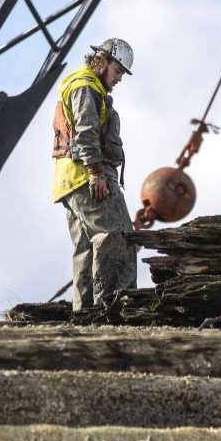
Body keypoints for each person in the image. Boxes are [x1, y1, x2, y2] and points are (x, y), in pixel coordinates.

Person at [52, 37, 138, 311]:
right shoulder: (86, 87)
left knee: (86, 248)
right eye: (118, 71)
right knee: (118, 235)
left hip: (69, 182)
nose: (120, 79)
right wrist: (95, 173)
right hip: (87, 177)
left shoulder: (82, 84)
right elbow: (86, 132)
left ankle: (85, 313)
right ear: (102, 62)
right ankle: (112, 308)